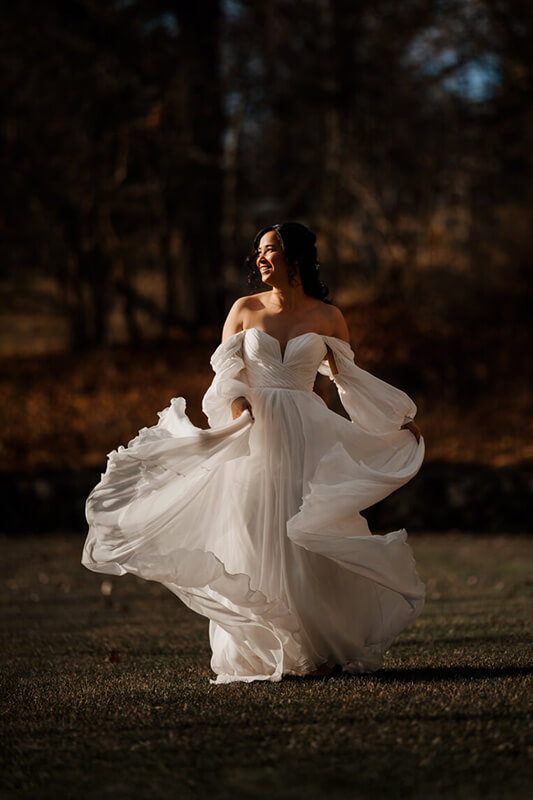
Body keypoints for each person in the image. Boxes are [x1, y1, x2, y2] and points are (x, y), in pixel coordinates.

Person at [82, 221, 425, 685]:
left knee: (305, 535)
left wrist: (394, 419)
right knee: (255, 532)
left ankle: (319, 647)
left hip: (307, 434)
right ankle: (269, 647)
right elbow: (225, 374)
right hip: (255, 435)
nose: (260, 259)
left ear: (294, 256)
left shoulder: (328, 317)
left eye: (269, 250)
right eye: (258, 252)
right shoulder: (243, 310)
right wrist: (239, 404)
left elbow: (349, 380)